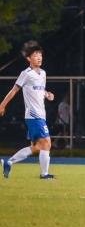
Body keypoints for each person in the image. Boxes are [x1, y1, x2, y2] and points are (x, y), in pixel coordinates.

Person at [0, 41, 56, 179]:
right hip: (33, 114)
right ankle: (44, 174)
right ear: (28, 58)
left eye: (40, 55)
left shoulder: (43, 73)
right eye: (35, 55)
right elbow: (14, 90)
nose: (39, 57)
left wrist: (47, 94)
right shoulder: (26, 73)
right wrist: (2, 105)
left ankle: (9, 162)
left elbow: (40, 90)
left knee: (37, 147)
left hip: (41, 114)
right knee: (47, 143)